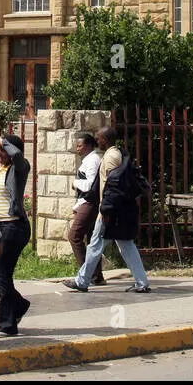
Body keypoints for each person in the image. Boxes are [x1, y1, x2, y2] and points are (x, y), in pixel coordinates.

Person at [64, 125, 152, 293]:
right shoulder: (118, 153)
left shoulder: (111, 157)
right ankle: (141, 283)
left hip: (111, 211)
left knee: (95, 245)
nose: (97, 141)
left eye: (99, 138)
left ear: (105, 140)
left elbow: (114, 186)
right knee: (126, 245)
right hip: (121, 210)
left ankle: (82, 281)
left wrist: (106, 210)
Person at [0, 134, 31, 337]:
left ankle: (8, 325)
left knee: (3, 275)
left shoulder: (20, 168)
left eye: (3, 150)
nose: (0, 153)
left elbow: (17, 154)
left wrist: (5, 143)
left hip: (13, 227)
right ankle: (18, 305)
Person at [67, 132, 106, 286]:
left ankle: (86, 275)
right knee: (91, 241)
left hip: (90, 203)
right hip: (86, 202)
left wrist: (75, 183)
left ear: (89, 145)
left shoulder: (93, 160)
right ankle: (96, 277)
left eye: (80, 145)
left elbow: (90, 186)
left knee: (74, 236)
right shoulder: (89, 160)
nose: (78, 148)